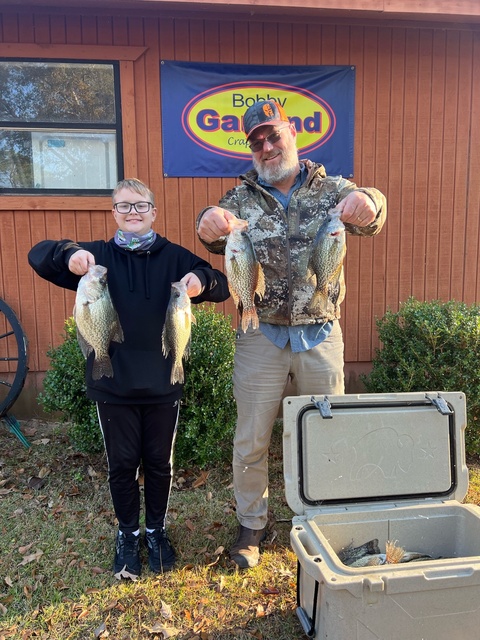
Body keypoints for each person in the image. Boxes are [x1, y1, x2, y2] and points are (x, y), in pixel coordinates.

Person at [196, 99, 387, 569]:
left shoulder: (331, 190)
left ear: (292, 134)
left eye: (272, 135)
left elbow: (373, 212)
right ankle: (251, 525)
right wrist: (206, 223)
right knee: (251, 438)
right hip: (259, 333)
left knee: (330, 432)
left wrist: (372, 202)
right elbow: (214, 233)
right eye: (255, 140)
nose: (265, 146)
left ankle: (327, 519)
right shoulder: (239, 199)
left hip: (321, 331)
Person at [28, 178, 230, 580]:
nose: (133, 213)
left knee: (159, 463)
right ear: (114, 212)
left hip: (163, 382)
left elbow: (221, 285)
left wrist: (200, 282)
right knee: (121, 465)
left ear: (154, 212)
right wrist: (69, 254)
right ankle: (127, 533)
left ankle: (155, 531)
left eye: (141, 206)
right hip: (113, 382)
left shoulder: (175, 258)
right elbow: (38, 256)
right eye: (124, 207)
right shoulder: (96, 261)